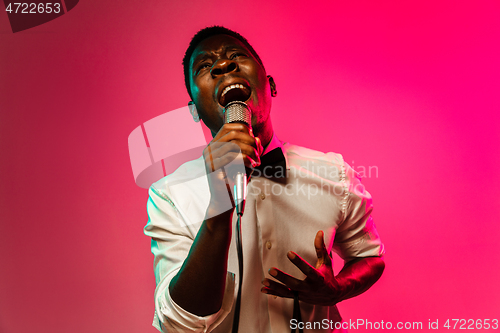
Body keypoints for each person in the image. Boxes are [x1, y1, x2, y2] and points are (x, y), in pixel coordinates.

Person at [144, 26, 385, 333]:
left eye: (236, 56)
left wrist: (337, 289)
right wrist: (218, 205)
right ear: (195, 111)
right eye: (205, 67)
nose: (222, 65)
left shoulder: (333, 172)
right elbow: (179, 323)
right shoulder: (169, 194)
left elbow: (369, 257)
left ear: (269, 85)